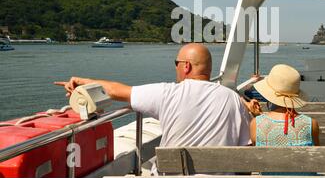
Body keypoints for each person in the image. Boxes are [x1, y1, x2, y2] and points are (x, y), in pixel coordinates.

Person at [55, 43, 252, 148]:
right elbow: (245, 145)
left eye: (176, 63)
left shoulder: (167, 93)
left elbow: (115, 91)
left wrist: (81, 81)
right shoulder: (232, 98)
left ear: (186, 66)